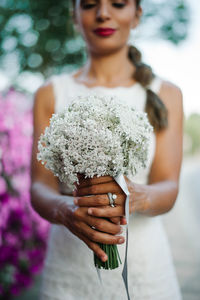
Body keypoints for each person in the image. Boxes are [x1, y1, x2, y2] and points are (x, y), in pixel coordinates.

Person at [31, 0, 183, 299]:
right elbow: (39, 186)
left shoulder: (166, 93)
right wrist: (66, 211)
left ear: (137, 14)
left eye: (117, 3)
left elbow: (169, 186)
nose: (103, 13)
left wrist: (136, 197)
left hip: (145, 272)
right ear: (74, 16)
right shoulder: (50, 92)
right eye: (88, 4)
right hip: (68, 272)